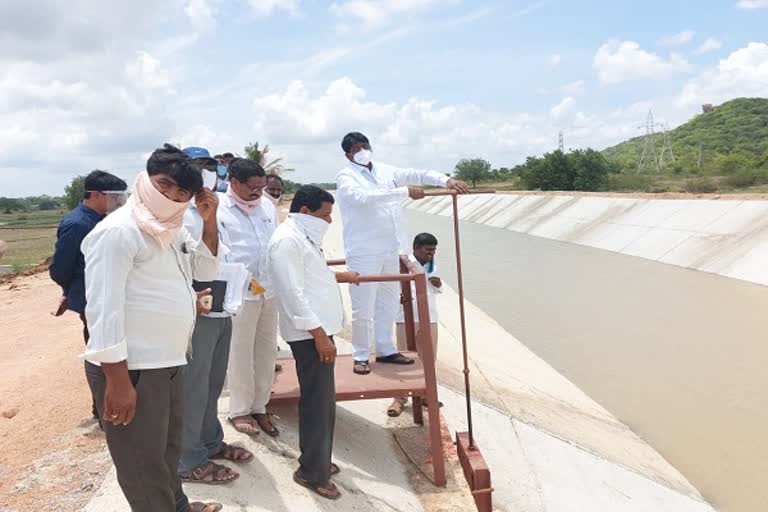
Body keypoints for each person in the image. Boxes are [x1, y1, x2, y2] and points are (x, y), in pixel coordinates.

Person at [81, 144, 223, 512]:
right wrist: (117, 380)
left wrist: (208, 221)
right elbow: (103, 310)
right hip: (133, 369)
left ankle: (178, 506)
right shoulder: (118, 232)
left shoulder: (170, 229)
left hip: (169, 361)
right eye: (164, 186)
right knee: (142, 466)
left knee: (165, 451)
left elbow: (205, 271)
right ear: (145, 179)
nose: (170, 198)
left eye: (181, 194)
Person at [335, 131, 470, 375]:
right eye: (356, 148)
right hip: (364, 251)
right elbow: (361, 198)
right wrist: (403, 192)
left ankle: (386, 349)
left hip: (391, 249)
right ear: (347, 154)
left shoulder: (386, 171)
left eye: (365, 145)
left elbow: (417, 173)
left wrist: (445, 181)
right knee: (363, 306)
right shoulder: (346, 177)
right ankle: (361, 355)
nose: (362, 150)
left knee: (388, 303)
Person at [267, 185, 360, 500]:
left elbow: (310, 276)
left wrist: (339, 277)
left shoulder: (303, 236)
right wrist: (320, 336)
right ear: (305, 212)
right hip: (310, 335)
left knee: (322, 401)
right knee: (318, 403)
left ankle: (316, 459)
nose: (329, 222)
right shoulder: (286, 241)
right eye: (325, 215)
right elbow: (292, 293)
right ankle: (312, 473)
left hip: (317, 331)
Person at [178, 147, 253, 485]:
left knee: (212, 382)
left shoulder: (214, 205)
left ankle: (209, 442)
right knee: (192, 386)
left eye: (209, 166)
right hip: (194, 308)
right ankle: (188, 458)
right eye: (196, 166)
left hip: (223, 301)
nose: (205, 172)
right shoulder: (177, 214)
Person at [49, 170, 127, 419]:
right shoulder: (78, 224)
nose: (118, 203)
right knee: (101, 355)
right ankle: (103, 409)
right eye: (114, 197)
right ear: (95, 194)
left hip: (103, 297)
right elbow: (60, 268)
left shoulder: (99, 219)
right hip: (92, 300)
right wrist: (70, 291)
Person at [217, 157, 280, 436]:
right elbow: (218, 251)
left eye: (262, 186)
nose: (258, 192)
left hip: (269, 290)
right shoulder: (217, 208)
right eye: (253, 187)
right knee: (240, 352)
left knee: (266, 351)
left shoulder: (267, 205)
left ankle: (260, 406)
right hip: (240, 293)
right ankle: (240, 410)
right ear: (234, 182)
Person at [388, 233, 443, 417]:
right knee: (404, 358)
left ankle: (425, 395)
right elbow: (391, 287)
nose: (431, 253)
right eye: (428, 250)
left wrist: (438, 284)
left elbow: (438, 289)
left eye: (434, 250)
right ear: (416, 248)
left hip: (429, 317)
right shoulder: (402, 263)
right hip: (405, 317)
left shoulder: (433, 265)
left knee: (429, 360)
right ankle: (399, 399)